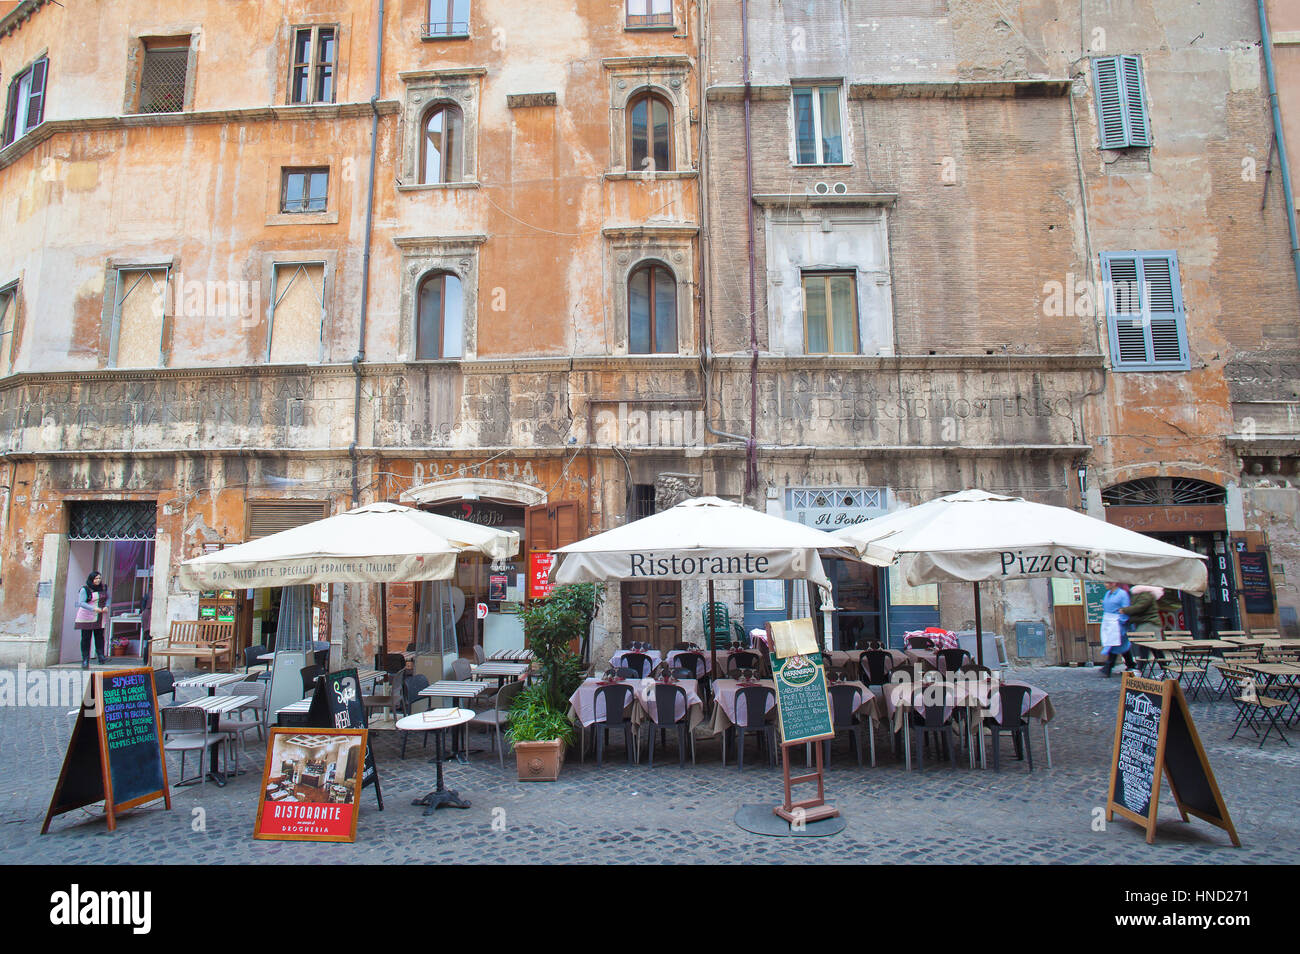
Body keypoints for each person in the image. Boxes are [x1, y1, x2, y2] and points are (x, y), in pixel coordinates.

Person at [74, 572, 109, 669]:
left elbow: (108, 598)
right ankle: (85, 659)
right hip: (86, 616)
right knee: (86, 638)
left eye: (99, 578)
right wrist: (93, 608)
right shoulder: (85, 589)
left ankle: (101, 656)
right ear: (91, 579)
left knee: (99, 636)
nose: (98, 580)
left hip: (100, 616)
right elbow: (81, 603)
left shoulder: (104, 588)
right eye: (96, 578)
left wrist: (106, 606)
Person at [1099, 581, 1134, 677]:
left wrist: (1122, 621)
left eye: (1106, 582)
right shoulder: (1107, 594)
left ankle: (1108, 666)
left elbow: (1125, 609)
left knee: (1115, 643)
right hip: (1109, 622)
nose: (1104, 584)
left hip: (1117, 623)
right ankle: (1130, 664)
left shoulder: (1122, 594)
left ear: (1113, 583)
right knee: (1119, 644)